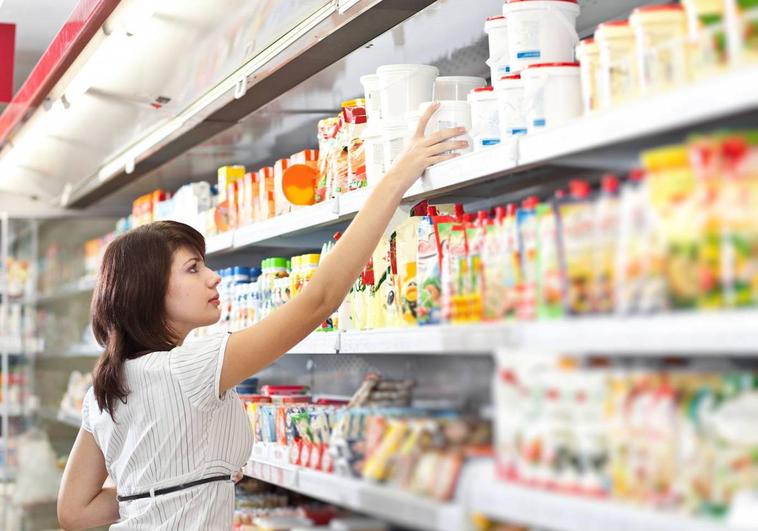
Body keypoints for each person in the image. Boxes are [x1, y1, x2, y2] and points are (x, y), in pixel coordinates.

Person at [57, 102, 466, 530]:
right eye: (194, 268)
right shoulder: (190, 367)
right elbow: (320, 299)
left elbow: (75, 512)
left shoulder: (106, 386)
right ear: (149, 294)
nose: (214, 278)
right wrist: (399, 175)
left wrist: (175, 485)